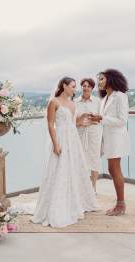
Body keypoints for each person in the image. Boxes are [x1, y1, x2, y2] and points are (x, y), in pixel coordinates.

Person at [31, 77, 98, 227]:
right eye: (73, 86)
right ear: (64, 86)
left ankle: (73, 203)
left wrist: (85, 120)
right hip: (61, 138)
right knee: (59, 170)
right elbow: (50, 125)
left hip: (73, 140)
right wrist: (56, 144)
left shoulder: (73, 104)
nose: (75, 89)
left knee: (72, 170)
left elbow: (73, 124)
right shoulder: (54, 102)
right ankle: (56, 205)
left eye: (75, 87)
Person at [93, 69, 130, 216]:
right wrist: (96, 118)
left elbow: (122, 120)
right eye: (99, 79)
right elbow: (103, 118)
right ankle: (120, 203)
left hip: (116, 138)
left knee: (115, 170)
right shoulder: (104, 99)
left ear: (110, 79)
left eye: (101, 79)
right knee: (112, 169)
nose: (99, 82)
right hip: (107, 137)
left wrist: (101, 118)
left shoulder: (120, 96)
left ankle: (121, 205)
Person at [74, 78, 102, 193]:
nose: (86, 88)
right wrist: (81, 121)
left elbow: (101, 118)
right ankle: (81, 187)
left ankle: (93, 187)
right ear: (81, 87)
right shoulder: (75, 102)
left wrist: (94, 118)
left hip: (94, 133)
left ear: (92, 88)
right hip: (79, 133)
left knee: (94, 159)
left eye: (89, 86)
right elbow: (73, 120)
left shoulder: (97, 101)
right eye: (84, 86)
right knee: (80, 159)